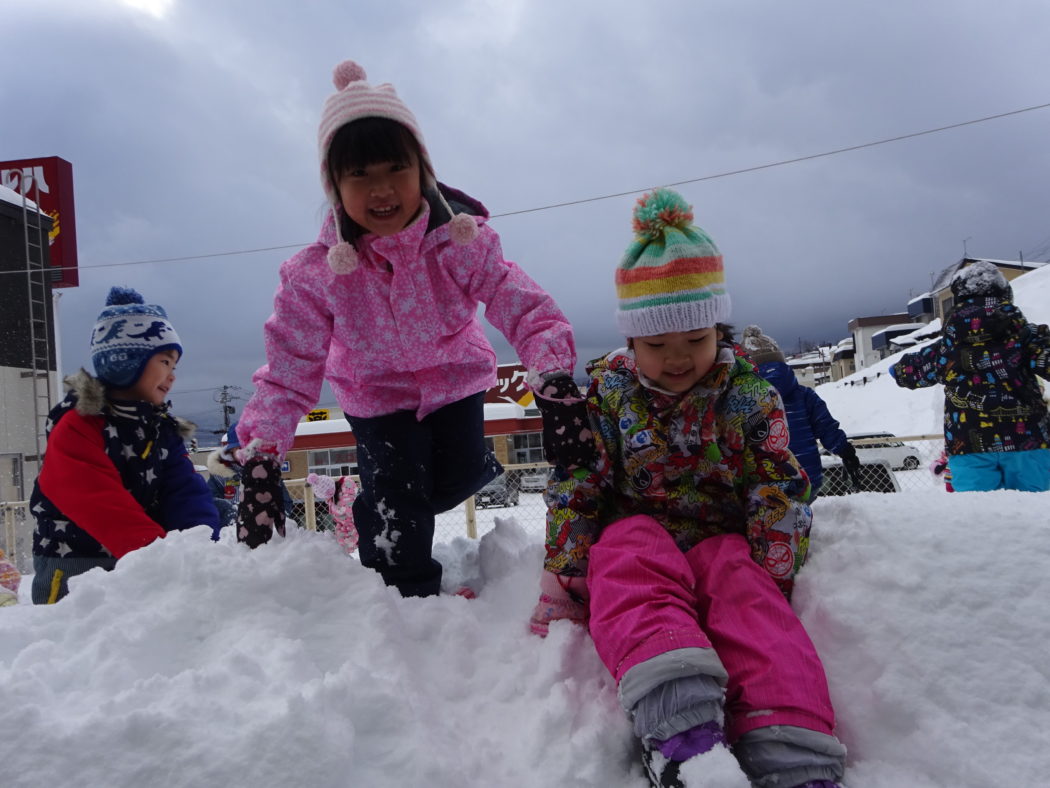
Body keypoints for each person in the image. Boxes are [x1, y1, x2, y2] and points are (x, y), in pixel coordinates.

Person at [530, 190, 846, 788]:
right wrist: (567, 569)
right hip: (638, 532)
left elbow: (776, 481)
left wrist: (774, 565)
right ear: (630, 342)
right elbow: (581, 479)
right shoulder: (611, 395)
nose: (677, 360)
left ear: (719, 331)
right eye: (657, 347)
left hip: (720, 538)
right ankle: (682, 730)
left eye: (695, 342)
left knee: (747, 595)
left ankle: (793, 748)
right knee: (626, 557)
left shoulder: (749, 395)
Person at [235, 59, 577, 597]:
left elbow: (523, 305)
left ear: (423, 170)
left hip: (456, 383)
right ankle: (403, 594)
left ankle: (371, 503)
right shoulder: (319, 273)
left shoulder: (460, 243)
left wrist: (552, 374)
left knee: (461, 473)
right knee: (400, 492)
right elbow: (290, 367)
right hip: (375, 397)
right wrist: (262, 452)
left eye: (396, 168)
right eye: (359, 175)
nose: (381, 189)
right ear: (334, 186)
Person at [28, 287, 219, 604]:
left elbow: (184, 490)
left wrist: (202, 549)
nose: (172, 376)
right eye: (164, 362)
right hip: (75, 565)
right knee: (80, 634)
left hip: (140, 560)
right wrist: (162, 558)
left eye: (174, 366)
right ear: (126, 361)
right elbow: (97, 502)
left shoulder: (161, 429)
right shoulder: (79, 425)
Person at [892, 261, 1050, 492]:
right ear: (1005, 295)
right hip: (1029, 441)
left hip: (967, 443)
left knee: (977, 511)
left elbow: (907, 371)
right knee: (1034, 510)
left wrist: (898, 369)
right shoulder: (1027, 336)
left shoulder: (948, 347)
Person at [741, 325, 861, 498]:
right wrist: (845, 452)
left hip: (762, 483)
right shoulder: (804, 396)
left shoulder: (740, 400)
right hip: (806, 479)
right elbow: (826, 428)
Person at [207, 422, 293, 540]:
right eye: (240, 449)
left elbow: (285, 503)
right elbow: (210, 503)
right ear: (231, 450)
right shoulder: (220, 475)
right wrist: (229, 512)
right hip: (230, 536)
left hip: (265, 534)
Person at [306, 472, 359, 554]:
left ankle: (345, 556)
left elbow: (348, 512)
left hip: (353, 524)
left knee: (345, 544)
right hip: (345, 524)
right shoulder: (338, 494)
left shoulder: (344, 500)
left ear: (329, 493)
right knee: (339, 541)